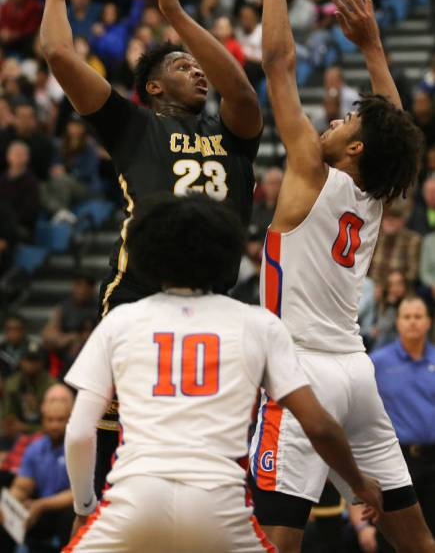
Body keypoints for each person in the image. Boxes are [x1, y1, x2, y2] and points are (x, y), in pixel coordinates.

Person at [37, 0, 262, 495]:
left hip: (213, 301)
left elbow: (239, 87)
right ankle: (90, 513)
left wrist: (180, 19)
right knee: (117, 443)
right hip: (139, 293)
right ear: (155, 86)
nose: (201, 72)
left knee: (197, 450)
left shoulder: (233, 133)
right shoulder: (135, 126)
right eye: (186, 66)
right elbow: (60, 54)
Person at [249, 0, 433, 553]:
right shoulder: (377, 192)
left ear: (353, 151)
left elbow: (277, 61)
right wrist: (374, 49)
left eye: (347, 122)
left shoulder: (309, 169)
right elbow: (397, 132)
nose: (334, 121)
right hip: (356, 373)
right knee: (415, 539)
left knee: (275, 542)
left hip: (301, 376)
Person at [62, 193, 381, 553]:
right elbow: (319, 427)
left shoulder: (121, 321)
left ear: (149, 252)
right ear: (226, 252)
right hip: (220, 505)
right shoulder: (257, 324)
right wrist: (359, 483)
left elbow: (78, 434)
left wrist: (84, 506)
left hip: (135, 497)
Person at [369, 297, 435, 545]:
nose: (412, 323)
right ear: (397, 323)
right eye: (407, 317)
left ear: (428, 322)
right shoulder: (378, 362)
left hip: (433, 461)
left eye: (418, 317)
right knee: (395, 538)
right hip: (396, 461)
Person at [0, 396, 74, 553]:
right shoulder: (35, 448)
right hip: (40, 510)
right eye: (50, 420)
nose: (54, 425)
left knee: (70, 517)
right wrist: (8, 505)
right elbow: (22, 486)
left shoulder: (78, 449)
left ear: (70, 420)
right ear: (43, 421)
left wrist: (41, 505)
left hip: (66, 510)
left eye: (60, 420)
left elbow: (77, 494)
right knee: (4, 516)